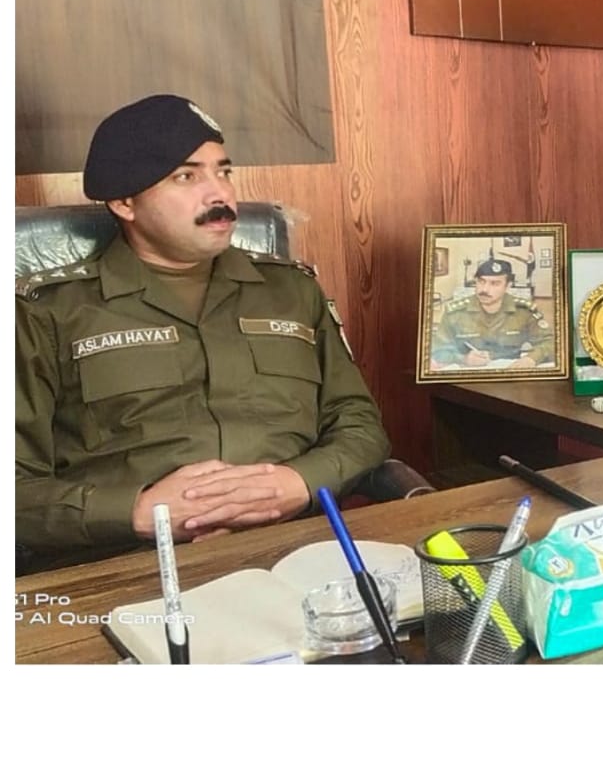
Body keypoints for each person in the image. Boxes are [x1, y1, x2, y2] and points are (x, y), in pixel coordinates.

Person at [16, 95, 390, 565]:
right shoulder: (48, 312)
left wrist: (297, 483)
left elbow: (359, 425)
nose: (220, 195)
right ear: (124, 202)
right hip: (131, 564)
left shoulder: (292, 290)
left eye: (224, 171)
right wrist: (137, 512)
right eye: (187, 176)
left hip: (300, 548)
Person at [430, 258, 553, 369]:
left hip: (510, 371)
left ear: (508, 286)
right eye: (481, 281)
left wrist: (531, 359)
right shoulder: (455, 312)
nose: (484, 289)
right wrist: (464, 358)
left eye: (494, 283)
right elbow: (438, 351)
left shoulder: (524, 311)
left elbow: (550, 342)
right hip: (468, 374)